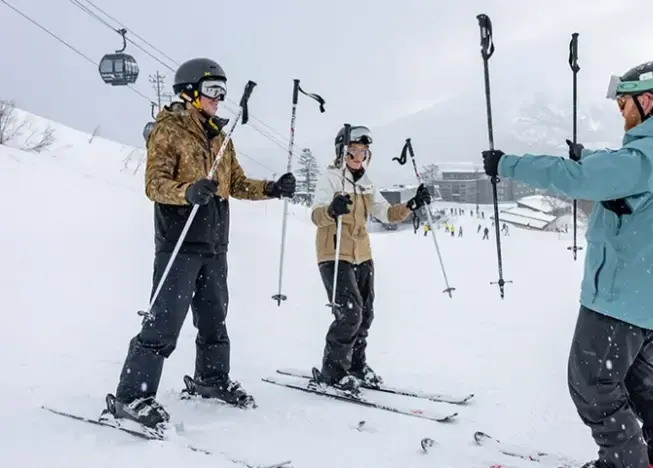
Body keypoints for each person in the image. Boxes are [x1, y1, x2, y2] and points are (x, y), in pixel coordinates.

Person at [481, 61, 653, 468]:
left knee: (591, 384)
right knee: (640, 383)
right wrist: (591, 157)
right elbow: (626, 175)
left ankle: (624, 463)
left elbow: (575, 179)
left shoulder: (644, 156)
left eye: (624, 103)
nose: (621, 111)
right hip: (650, 299)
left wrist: (506, 164)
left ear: (648, 100)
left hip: (617, 299)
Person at [106, 58, 296, 429]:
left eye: (223, 91)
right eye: (212, 90)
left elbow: (237, 184)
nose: (219, 98)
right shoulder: (170, 129)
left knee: (214, 319)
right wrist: (188, 191)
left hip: (213, 244)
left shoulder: (221, 138)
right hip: (180, 241)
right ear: (190, 92)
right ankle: (132, 396)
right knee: (164, 322)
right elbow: (154, 184)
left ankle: (211, 380)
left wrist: (272, 188)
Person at [309, 125, 431, 392]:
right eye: (353, 151)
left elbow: (385, 213)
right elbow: (316, 215)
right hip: (335, 253)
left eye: (363, 152)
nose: (358, 157)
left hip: (362, 254)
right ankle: (333, 371)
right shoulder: (330, 179)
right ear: (342, 152)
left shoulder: (366, 183)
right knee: (349, 313)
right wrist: (332, 210)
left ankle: (355, 365)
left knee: (366, 314)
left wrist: (412, 204)